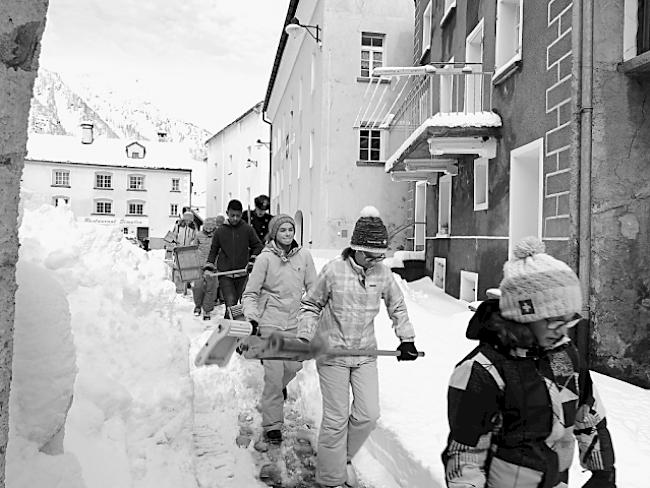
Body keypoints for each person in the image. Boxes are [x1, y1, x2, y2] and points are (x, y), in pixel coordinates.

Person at [443, 237, 616, 488]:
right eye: (553, 320)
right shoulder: (483, 371)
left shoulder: (562, 357)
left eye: (568, 320)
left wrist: (603, 473)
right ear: (524, 314)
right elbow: (465, 456)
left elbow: (588, 415)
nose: (563, 331)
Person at [297, 206, 419, 488]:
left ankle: (341, 458)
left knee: (368, 414)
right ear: (357, 249)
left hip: (365, 354)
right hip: (332, 354)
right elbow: (311, 304)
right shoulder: (333, 271)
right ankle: (330, 480)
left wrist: (407, 339)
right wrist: (305, 336)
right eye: (373, 254)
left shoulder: (381, 273)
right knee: (336, 419)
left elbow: (397, 305)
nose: (378, 259)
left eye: (381, 255)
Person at [241, 214, 317, 444]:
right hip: (270, 322)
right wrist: (252, 318)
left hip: (294, 321)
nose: (287, 233)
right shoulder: (265, 259)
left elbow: (314, 287)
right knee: (274, 376)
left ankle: (273, 394)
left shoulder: (304, 256)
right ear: (275, 233)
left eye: (290, 229)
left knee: (293, 366)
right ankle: (273, 424)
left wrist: (313, 310)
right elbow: (250, 293)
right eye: (282, 230)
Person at [207, 199, 263, 318]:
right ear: (227, 213)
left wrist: (252, 260)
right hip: (225, 274)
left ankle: (233, 328)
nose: (235, 218)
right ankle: (229, 330)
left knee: (239, 304)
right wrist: (209, 265)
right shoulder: (220, 231)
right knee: (231, 303)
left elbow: (258, 246)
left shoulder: (247, 229)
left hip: (242, 273)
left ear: (241, 215)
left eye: (238, 216)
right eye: (232, 215)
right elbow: (214, 250)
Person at [192, 217, 221, 320]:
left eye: (211, 227)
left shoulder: (217, 235)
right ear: (204, 226)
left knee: (211, 289)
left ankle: (207, 310)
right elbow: (193, 248)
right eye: (207, 226)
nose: (209, 229)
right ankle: (198, 306)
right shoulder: (198, 235)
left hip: (213, 266)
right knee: (198, 287)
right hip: (200, 265)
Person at [170, 211, 197, 293]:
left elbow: (195, 239)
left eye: (190, 220)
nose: (188, 222)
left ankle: (183, 290)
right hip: (178, 251)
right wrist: (173, 245)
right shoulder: (178, 226)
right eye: (187, 220)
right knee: (177, 270)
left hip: (187, 252)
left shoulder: (193, 228)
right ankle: (176, 289)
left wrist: (192, 245)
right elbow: (172, 237)